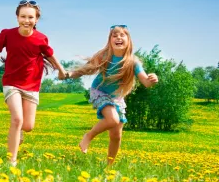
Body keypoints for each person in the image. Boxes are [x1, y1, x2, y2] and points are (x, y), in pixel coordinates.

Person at [0, 0, 67, 166]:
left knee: (28, 126)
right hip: (11, 82)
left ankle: (18, 133)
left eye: (30, 17)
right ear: (17, 18)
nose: (27, 20)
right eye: (23, 16)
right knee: (17, 119)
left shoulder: (41, 39)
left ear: (36, 19)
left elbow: (50, 56)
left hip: (32, 85)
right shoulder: (7, 34)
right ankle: (12, 161)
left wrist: (60, 70)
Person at [65, 25, 158, 164]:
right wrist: (69, 74)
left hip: (116, 97)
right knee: (113, 119)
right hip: (99, 91)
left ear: (129, 40)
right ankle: (88, 136)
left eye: (122, 35)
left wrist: (152, 79)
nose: (118, 38)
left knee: (116, 135)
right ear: (110, 40)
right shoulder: (104, 56)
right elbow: (86, 70)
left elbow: (146, 82)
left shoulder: (133, 62)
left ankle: (109, 167)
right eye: (114, 36)